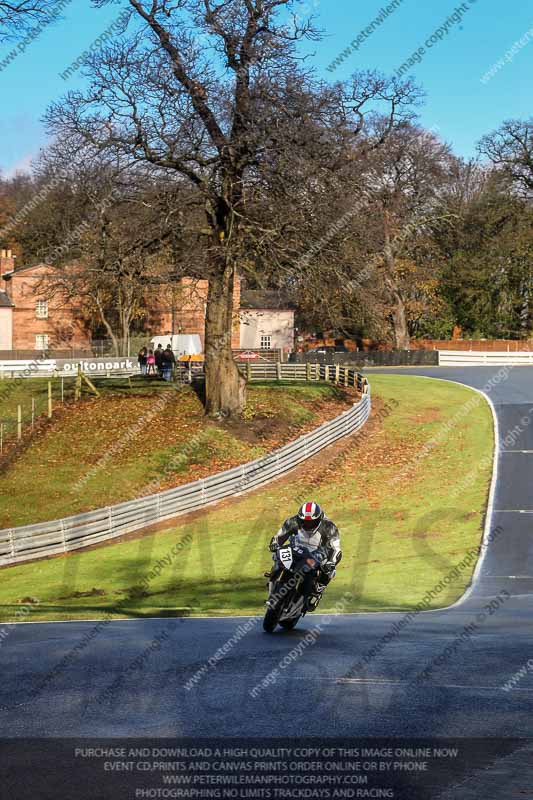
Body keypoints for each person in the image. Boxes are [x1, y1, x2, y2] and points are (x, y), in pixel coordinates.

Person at [268, 501, 341, 608]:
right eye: (304, 522)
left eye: (312, 522)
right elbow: (279, 536)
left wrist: (331, 562)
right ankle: (272, 581)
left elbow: (336, 549)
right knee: (277, 556)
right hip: (295, 549)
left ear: (319, 519)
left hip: (316, 555)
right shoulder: (292, 521)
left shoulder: (329, 527)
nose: (308, 525)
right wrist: (275, 543)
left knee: (330, 569)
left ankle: (318, 591)